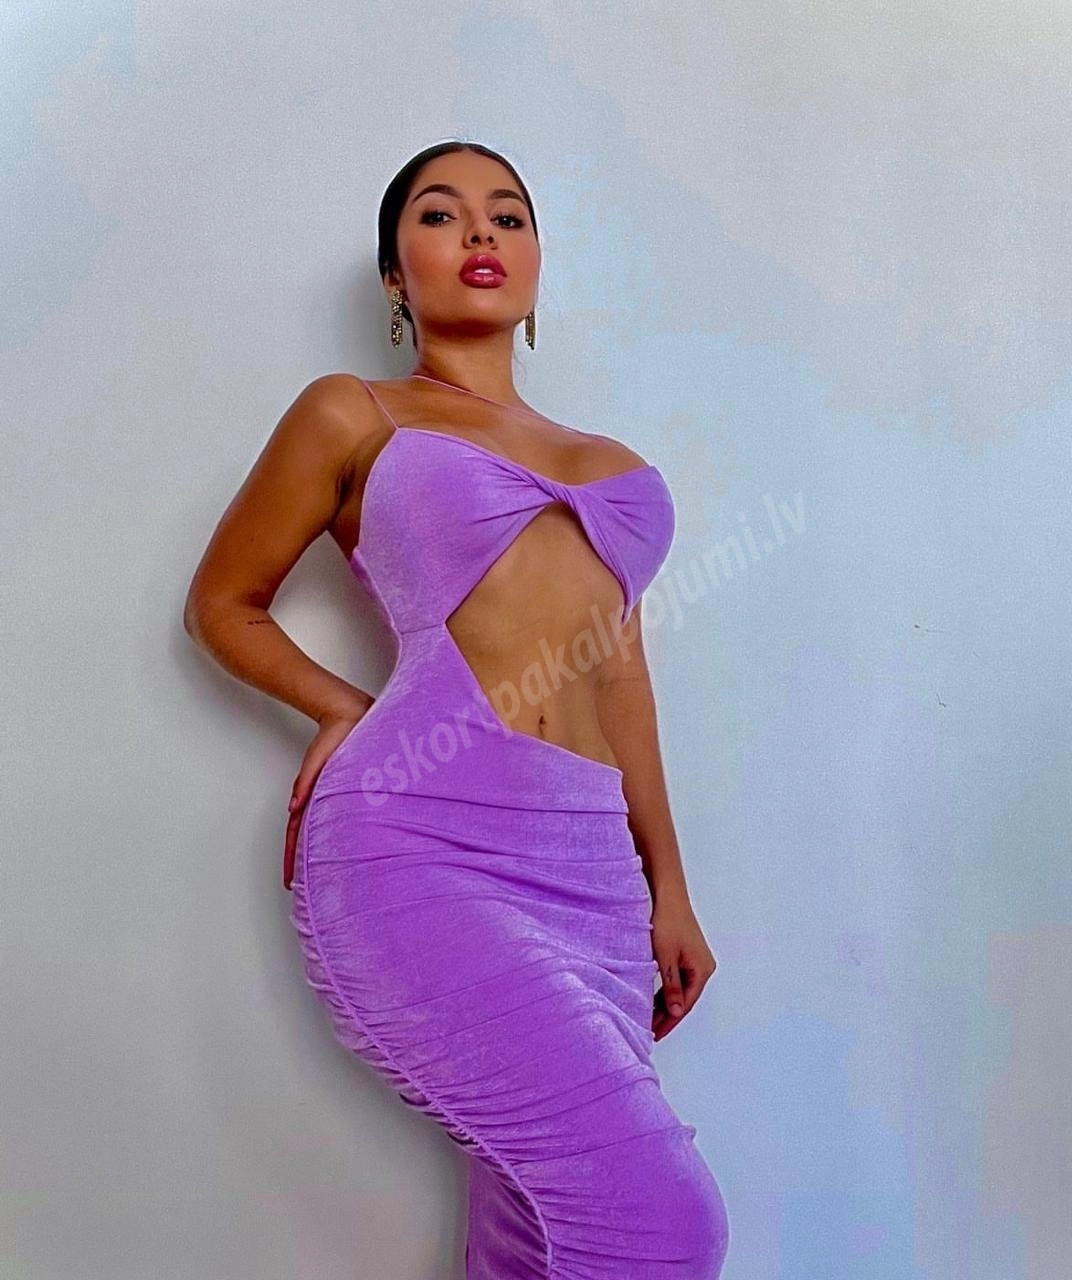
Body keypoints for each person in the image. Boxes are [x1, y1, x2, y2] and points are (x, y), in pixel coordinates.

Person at [183, 139, 730, 1278]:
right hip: (419, 841)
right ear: (395, 275)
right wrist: (344, 710)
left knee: (535, 1225)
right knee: (661, 1219)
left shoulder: (607, 461)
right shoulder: (355, 413)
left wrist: (667, 883)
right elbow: (223, 603)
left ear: (535, 260)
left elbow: (619, 677)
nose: (481, 233)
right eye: (440, 215)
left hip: (591, 872)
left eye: (508, 216)